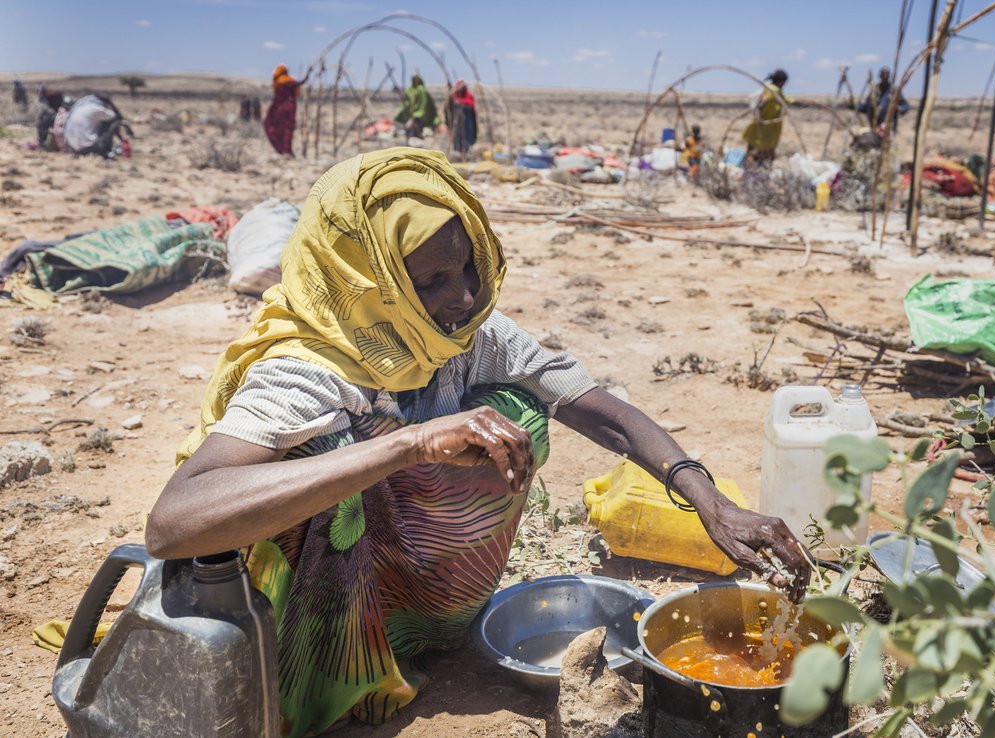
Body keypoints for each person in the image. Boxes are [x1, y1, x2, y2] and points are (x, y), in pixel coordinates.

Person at [146, 147, 809, 738]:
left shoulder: (463, 334)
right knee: (330, 454)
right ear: (370, 280)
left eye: (465, 267)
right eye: (431, 281)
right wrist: (411, 443)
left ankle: (420, 625)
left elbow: (596, 409)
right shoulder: (309, 366)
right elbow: (174, 523)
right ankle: (332, 680)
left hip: (390, 554)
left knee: (517, 411)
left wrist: (711, 502)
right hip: (266, 603)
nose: (464, 296)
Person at [742, 69, 790, 167]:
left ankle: (752, 171)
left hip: (761, 127)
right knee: (762, 154)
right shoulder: (773, 91)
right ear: (781, 81)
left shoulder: (769, 89)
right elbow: (762, 104)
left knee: (753, 151)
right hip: (766, 130)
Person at [264, 64, 312, 156]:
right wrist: (308, 73)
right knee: (287, 129)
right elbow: (301, 83)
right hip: (289, 108)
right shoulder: (291, 81)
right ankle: (286, 150)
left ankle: (281, 148)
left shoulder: (278, 82)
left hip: (276, 108)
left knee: (272, 125)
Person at [858, 67, 910, 133]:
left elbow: (905, 106)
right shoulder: (874, 90)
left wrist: (900, 109)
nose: (884, 77)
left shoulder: (893, 91)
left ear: (889, 77)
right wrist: (854, 105)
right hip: (875, 127)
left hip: (888, 128)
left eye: (886, 75)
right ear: (880, 76)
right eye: (883, 75)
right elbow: (865, 107)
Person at [395, 74, 439, 140]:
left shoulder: (421, 90)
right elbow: (407, 103)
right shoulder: (410, 90)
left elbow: (424, 104)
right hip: (412, 115)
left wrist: (418, 113)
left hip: (419, 116)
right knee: (410, 132)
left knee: (417, 133)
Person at [445, 79, 478, 158]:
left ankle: (465, 154)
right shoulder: (453, 97)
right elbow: (448, 109)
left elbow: (471, 107)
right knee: (457, 139)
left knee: (467, 140)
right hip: (457, 123)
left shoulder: (468, 97)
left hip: (468, 123)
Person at [35, 84, 66, 151]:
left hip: (57, 115)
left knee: (43, 122)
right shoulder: (46, 94)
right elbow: (42, 102)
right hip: (54, 114)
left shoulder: (56, 96)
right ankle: (43, 143)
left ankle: (44, 143)